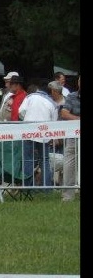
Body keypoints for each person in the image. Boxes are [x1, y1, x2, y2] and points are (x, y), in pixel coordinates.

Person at [19, 81, 57, 190]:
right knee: (44, 160)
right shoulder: (52, 103)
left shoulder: (30, 97)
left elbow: (21, 111)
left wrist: (26, 119)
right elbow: (54, 122)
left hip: (28, 132)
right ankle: (47, 188)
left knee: (28, 159)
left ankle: (28, 187)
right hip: (44, 134)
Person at [60, 74, 80, 202]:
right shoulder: (72, 96)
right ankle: (67, 197)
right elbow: (64, 113)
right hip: (73, 136)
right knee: (68, 166)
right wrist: (78, 120)